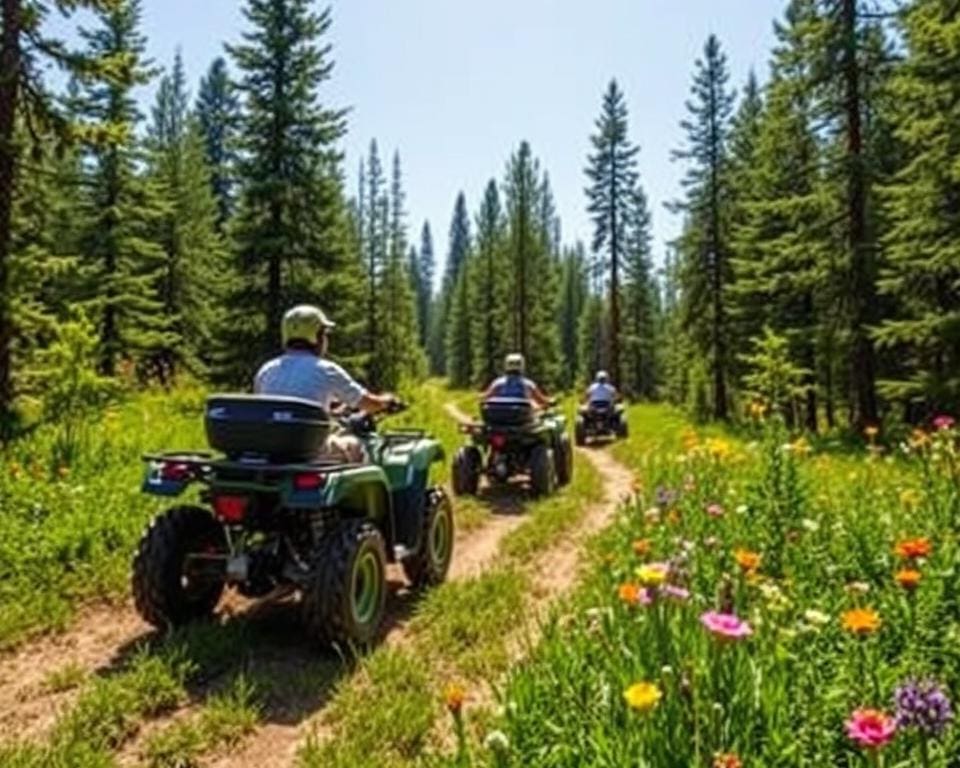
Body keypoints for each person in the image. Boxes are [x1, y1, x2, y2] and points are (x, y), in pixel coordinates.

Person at [254, 304, 397, 461]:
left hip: (271, 450)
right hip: (312, 452)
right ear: (316, 337)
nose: (326, 340)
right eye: (325, 334)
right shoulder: (326, 369)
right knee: (357, 445)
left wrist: (332, 411)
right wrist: (386, 402)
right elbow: (368, 404)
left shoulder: (266, 370)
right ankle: (373, 485)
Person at [482, 353, 552, 408]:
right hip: (522, 419)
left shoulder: (497, 383)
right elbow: (541, 400)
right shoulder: (528, 384)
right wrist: (550, 402)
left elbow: (486, 398)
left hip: (499, 418)